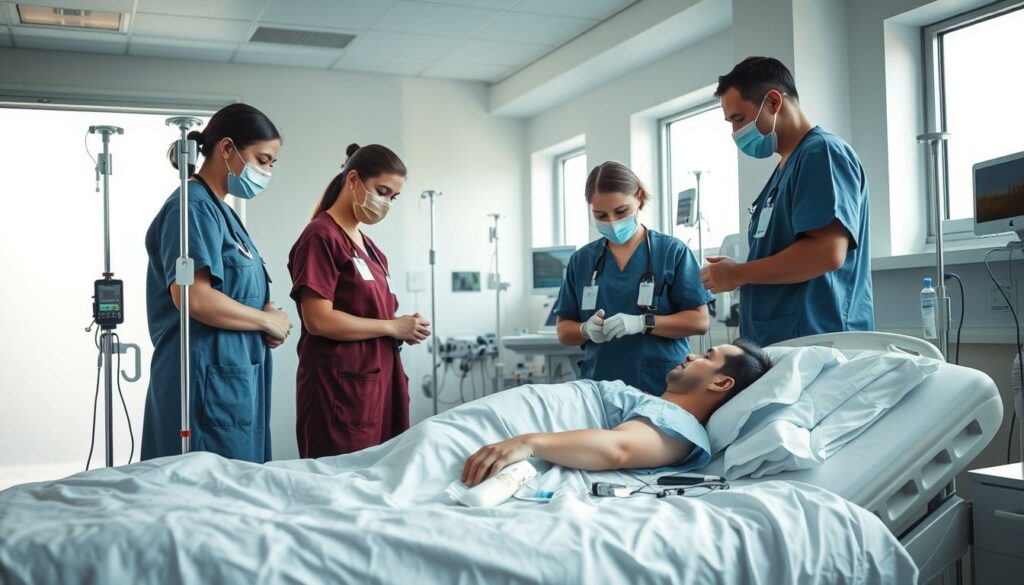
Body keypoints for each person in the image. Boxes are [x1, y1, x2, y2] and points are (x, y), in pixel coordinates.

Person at [142, 103, 291, 463]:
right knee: (207, 497)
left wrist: (268, 314)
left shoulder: (221, 210)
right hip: (204, 385)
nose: (267, 171)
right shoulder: (192, 208)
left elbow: (237, 290)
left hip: (231, 381)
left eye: (272, 163)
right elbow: (192, 297)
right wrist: (264, 321)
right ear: (227, 149)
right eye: (262, 159)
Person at [700, 57, 874, 346]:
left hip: (820, 340)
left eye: (738, 119)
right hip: (783, 342)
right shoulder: (785, 168)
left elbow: (826, 253)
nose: (735, 133)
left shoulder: (822, 154)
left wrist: (738, 274)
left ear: (773, 102)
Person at [462, 340, 773, 486]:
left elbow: (618, 449)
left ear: (721, 382)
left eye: (707, 356)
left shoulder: (681, 427)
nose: (690, 354)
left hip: (506, 434)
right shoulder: (660, 407)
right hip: (500, 423)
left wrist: (528, 443)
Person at [288, 143, 428, 458]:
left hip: (379, 385)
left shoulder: (372, 249)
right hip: (339, 391)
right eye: (382, 191)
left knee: (380, 480)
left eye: (393, 197)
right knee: (340, 484)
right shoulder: (321, 237)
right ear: (353, 181)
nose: (387, 203)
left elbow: (374, 315)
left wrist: (405, 326)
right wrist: (393, 327)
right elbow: (318, 320)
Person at [554, 161, 713, 395]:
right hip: (599, 386)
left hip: (661, 385)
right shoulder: (582, 261)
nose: (612, 222)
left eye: (621, 211)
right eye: (600, 215)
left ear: (638, 197)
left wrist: (643, 323)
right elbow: (563, 330)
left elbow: (699, 322)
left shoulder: (672, 252)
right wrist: (586, 330)